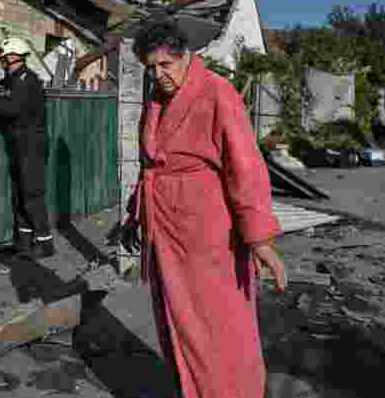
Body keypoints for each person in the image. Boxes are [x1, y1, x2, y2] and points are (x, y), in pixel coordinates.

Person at [119, 20, 286, 398]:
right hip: (166, 230)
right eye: (150, 67)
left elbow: (245, 167)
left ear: (185, 57)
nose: (158, 75)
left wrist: (260, 239)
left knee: (219, 325)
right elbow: (152, 166)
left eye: (165, 65)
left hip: (209, 236)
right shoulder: (157, 100)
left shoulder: (217, 93)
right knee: (177, 321)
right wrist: (135, 216)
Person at [0, 37, 54, 259]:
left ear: (13, 56)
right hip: (18, 143)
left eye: (3, 58)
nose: (1, 62)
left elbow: (11, 108)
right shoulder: (14, 79)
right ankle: (24, 243)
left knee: (32, 193)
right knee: (19, 194)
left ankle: (44, 244)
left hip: (31, 145)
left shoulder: (27, 80)